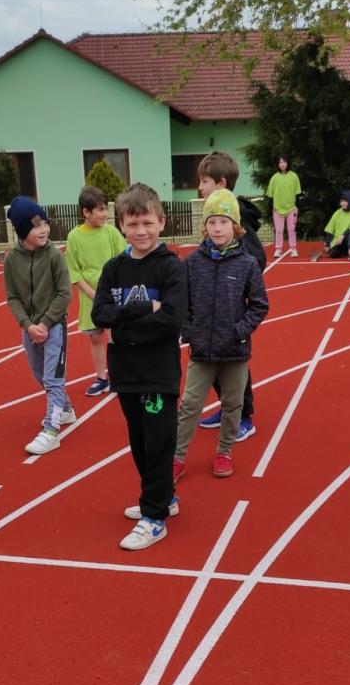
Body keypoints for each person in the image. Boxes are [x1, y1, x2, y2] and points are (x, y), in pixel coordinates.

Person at [91, 183, 186, 551]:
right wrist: (144, 309)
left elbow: (172, 320)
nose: (140, 231)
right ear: (121, 226)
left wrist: (125, 327)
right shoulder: (114, 268)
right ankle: (163, 497)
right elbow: (100, 314)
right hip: (126, 372)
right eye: (132, 224)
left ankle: (154, 517)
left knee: (159, 443)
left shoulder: (170, 267)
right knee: (140, 442)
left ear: (161, 222)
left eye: (147, 223)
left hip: (158, 373)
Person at [173, 189, 268, 480]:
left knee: (233, 404)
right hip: (201, 351)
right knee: (190, 404)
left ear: (235, 226)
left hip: (235, 351)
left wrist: (239, 331)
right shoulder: (192, 263)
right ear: (205, 226)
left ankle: (224, 452)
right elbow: (182, 302)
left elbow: (260, 305)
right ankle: (177, 457)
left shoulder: (247, 263)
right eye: (212, 222)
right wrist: (189, 331)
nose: (217, 228)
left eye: (224, 222)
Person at [196, 150, 266, 440]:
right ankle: (228, 409)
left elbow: (257, 257)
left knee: (234, 366)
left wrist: (236, 277)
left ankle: (244, 416)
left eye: (204, 181)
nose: (199, 187)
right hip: (210, 311)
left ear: (221, 183)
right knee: (212, 363)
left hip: (232, 311)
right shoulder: (213, 219)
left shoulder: (235, 218)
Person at [3, 197, 76, 454]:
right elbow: (12, 297)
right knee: (40, 376)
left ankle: (51, 430)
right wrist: (28, 325)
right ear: (23, 230)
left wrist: (44, 324)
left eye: (45, 223)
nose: (44, 229)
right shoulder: (12, 260)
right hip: (30, 329)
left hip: (53, 326)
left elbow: (64, 294)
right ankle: (65, 409)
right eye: (36, 226)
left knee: (53, 379)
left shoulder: (54, 255)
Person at [65, 186, 126, 396]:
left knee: (117, 335)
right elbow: (74, 271)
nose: (105, 214)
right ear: (86, 212)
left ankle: (121, 376)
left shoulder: (111, 232)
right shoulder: (74, 237)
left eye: (105, 209)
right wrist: (92, 293)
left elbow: (123, 259)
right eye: (100, 210)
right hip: (90, 295)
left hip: (113, 293)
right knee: (95, 337)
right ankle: (101, 378)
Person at [265, 156, 301, 257]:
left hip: (291, 208)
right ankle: (278, 249)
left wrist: (296, 207)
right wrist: (273, 208)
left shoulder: (294, 176)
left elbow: (298, 194)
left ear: (288, 163)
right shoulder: (274, 178)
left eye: (284, 162)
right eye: (280, 162)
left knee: (291, 230)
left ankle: (293, 249)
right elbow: (270, 196)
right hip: (277, 209)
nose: (282, 164)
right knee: (279, 231)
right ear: (278, 164)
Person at [322, 190, 350, 258]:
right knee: (334, 254)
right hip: (337, 240)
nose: (343, 203)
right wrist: (327, 244)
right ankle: (343, 250)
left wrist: (343, 236)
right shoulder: (337, 213)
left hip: (348, 239)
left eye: (345, 201)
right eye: (341, 201)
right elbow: (330, 229)